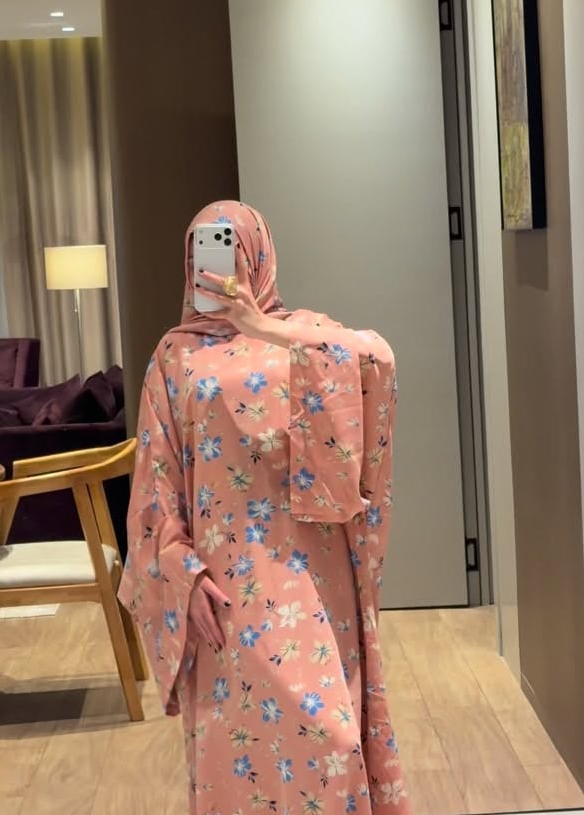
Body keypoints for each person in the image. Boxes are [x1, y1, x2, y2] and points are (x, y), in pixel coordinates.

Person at [118, 201, 412, 815]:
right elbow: (154, 485)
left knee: (332, 741)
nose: (213, 265)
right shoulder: (173, 358)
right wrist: (178, 570)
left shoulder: (303, 335)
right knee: (237, 753)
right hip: (222, 588)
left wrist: (262, 327)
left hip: (311, 579)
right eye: (200, 251)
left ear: (257, 255)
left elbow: (378, 361)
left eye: (227, 247)